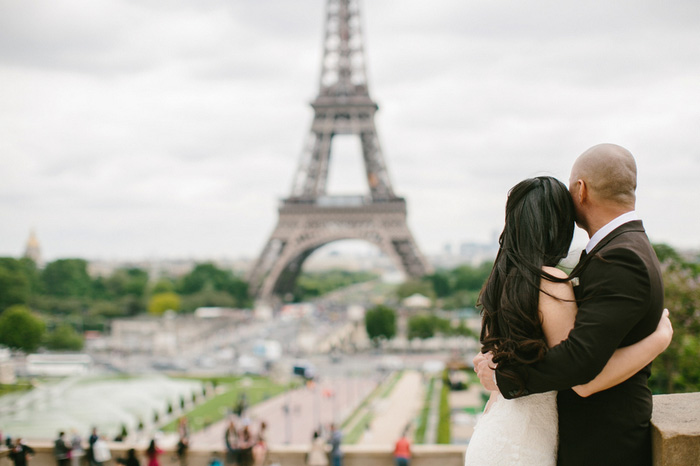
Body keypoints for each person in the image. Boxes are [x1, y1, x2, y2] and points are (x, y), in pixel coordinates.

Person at [472, 153, 671, 465]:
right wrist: (658, 341)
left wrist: (503, 377)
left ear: (581, 189)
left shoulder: (508, 279)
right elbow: (583, 372)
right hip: (549, 442)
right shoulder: (599, 259)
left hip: (515, 435)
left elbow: (579, 366)